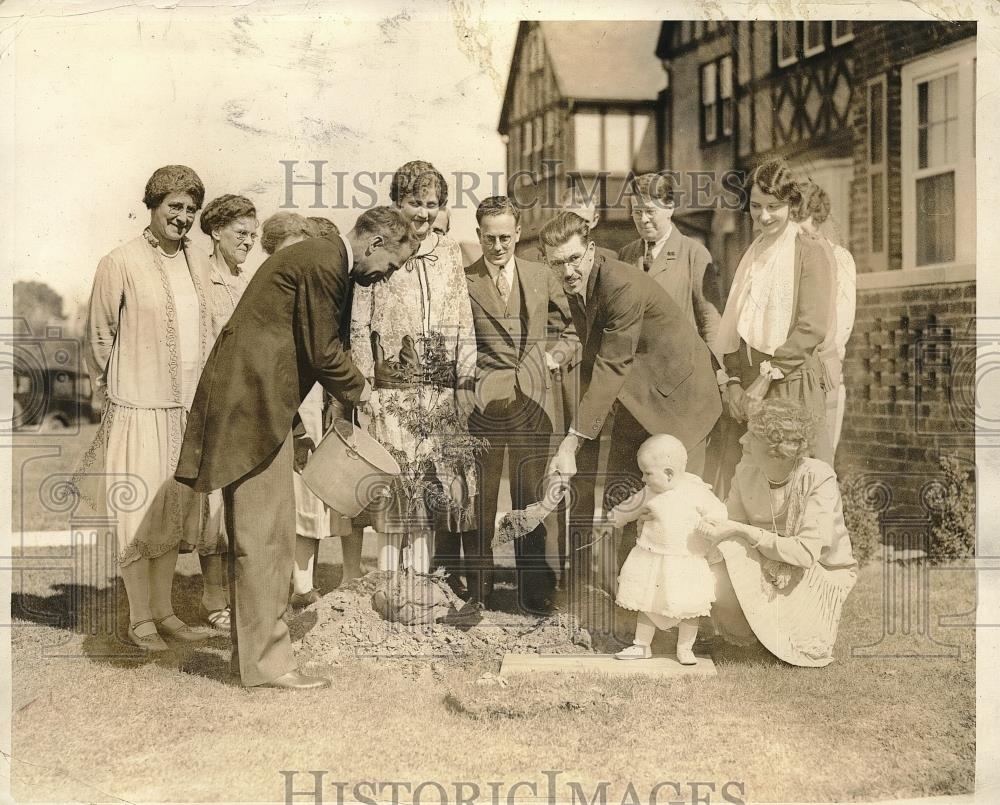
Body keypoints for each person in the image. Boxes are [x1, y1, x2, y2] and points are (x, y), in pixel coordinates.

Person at [175, 207, 417, 690]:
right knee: (265, 538)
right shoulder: (325, 261)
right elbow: (324, 350)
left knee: (258, 537)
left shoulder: (321, 258)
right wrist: (367, 396)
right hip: (253, 410)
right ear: (374, 244)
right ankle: (269, 666)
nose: (386, 277)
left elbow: (316, 347)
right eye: (390, 265)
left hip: (256, 405)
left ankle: (254, 660)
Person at [542, 211, 722, 594]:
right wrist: (577, 437)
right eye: (557, 263)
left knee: (679, 510)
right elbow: (594, 359)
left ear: (590, 249)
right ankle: (631, 605)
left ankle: (692, 614)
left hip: (684, 402)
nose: (568, 270)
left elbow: (611, 364)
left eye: (574, 258)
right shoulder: (579, 285)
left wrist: (573, 441)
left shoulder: (620, 284)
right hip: (639, 400)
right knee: (622, 496)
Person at [74, 165, 212, 652]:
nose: (183, 217)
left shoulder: (198, 262)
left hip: (186, 409)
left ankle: (167, 613)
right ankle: (140, 619)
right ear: (152, 205)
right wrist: (111, 389)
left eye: (191, 210)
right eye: (174, 206)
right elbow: (99, 334)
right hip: (138, 406)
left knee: (172, 513)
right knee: (137, 514)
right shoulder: (120, 261)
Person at [350, 160, 478, 577]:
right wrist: (364, 386)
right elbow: (359, 321)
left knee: (429, 485)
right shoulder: (383, 245)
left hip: (438, 390)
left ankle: (420, 581)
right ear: (397, 203)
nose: (423, 213)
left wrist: (463, 381)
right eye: (414, 202)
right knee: (393, 486)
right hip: (391, 388)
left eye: (431, 204)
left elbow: (461, 317)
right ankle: (388, 581)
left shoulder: (450, 253)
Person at [464, 196, 577, 611]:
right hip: (483, 406)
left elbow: (573, 328)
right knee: (482, 497)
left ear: (517, 233)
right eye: (489, 238)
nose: (498, 246)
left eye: (506, 237)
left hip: (534, 404)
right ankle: (479, 590)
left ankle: (536, 592)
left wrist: (556, 356)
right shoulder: (465, 280)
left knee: (530, 496)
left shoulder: (541, 274)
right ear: (479, 235)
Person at [696, 399, 857, 667]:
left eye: (753, 435)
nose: (742, 440)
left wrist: (743, 531)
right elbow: (729, 527)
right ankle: (744, 630)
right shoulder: (745, 471)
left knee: (734, 539)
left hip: (818, 573)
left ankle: (776, 630)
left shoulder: (818, 477)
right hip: (768, 563)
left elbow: (806, 554)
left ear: (777, 446)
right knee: (723, 545)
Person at [710, 158, 835, 500]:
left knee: (796, 492)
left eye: (774, 207)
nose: (763, 216)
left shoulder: (809, 251)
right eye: (756, 206)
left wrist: (765, 379)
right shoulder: (752, 252)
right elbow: (738, 322)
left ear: (792, 205)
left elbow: (812, 327)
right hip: (751, 385)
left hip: (790, 383)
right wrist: (735, 382)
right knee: (751, 493)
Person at [196, 193, 259, 631]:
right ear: (216, 231)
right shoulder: (198, 279)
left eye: (254, 236)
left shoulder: (247, 279)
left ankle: (239, 595)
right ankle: (212, 595)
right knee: (209, 505)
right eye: (241, 234)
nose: (249, 242)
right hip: (207, 401)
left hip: (243, 404)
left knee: (239, 502)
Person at [608, 434, 727, 664]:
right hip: (654, 557)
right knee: (648, 600)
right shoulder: (649, 492)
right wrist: (611, 519)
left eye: (647, 473)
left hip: (687, 559)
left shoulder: (696, 491)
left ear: (669, 473)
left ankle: (685, 648)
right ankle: (641, 645)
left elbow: (718, 510)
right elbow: (628, 508)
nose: (643, 478)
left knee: (690, 606)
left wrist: (710, 523)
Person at [619, 172, 722, 350]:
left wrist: (715, 370)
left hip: (679, 366)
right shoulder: (626, 255)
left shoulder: (694, 254)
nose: (643, 219)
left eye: (650, 211)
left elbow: (710, 321)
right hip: (637, 370)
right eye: (637, 212)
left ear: (670, 208)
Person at [797, 182, 857, 451]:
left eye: (801, 217)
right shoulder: (790, 256)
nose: (795, 226)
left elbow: (840, 324)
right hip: (790, 374)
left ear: (818, 218)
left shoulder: (838, 258)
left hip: (822, 372)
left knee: (818, 462)